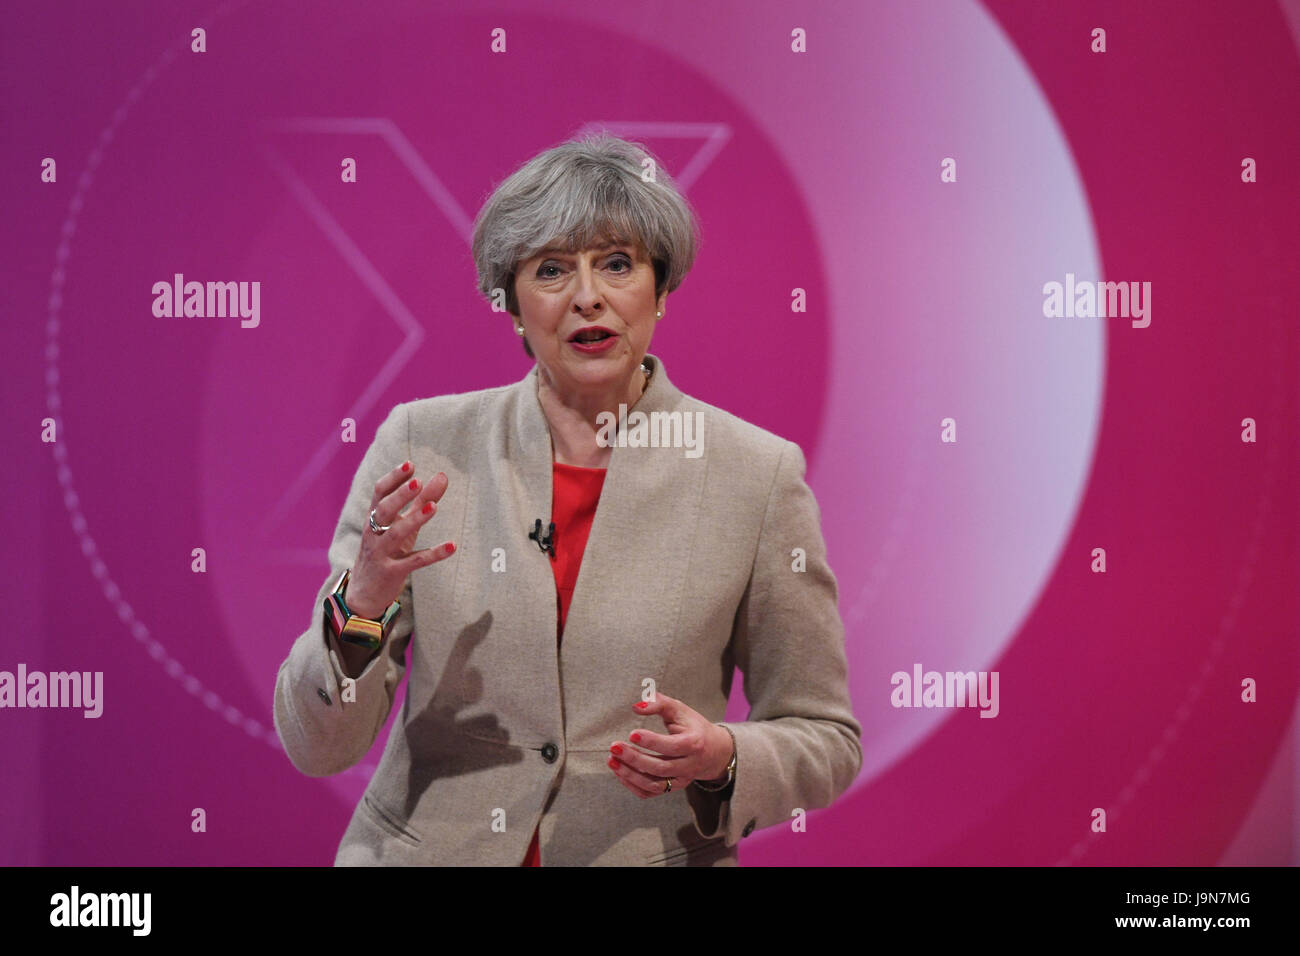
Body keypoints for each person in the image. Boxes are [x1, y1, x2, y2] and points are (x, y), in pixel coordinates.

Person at [272, 132, 862, 866]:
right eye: (552, 269)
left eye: (618, 263)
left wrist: (725, 755)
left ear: (660, 288)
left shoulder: (755, 474)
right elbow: (316, 745)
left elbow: (824, 736)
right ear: (513, 305)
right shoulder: (422, 445)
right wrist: (358, 606)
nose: (589, 295)